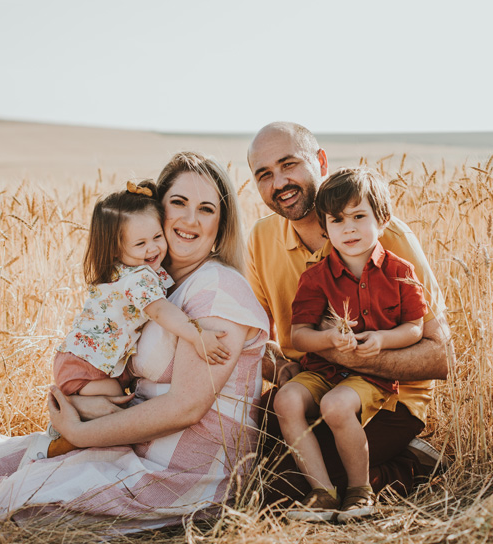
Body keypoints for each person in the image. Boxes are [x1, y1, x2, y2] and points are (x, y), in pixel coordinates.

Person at [0, 152, 270, 533]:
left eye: (206, 209)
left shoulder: (217, 288)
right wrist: (85, 402)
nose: (190, 220)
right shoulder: (153, 283)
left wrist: (80, 433)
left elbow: (186, 407)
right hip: (139, 444)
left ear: (221, 225)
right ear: (156, 210)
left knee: (22, 495)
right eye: (178, 203)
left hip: (185, 471)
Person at [246, 121, 453, 505]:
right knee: (239, 464)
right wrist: (281, 367)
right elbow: (259, 339)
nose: (279, 183)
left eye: (289, 164)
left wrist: (348, 354)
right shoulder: (261, 238)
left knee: (283, 493)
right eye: (264, 174)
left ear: (320, 161)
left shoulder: (386, 237)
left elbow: (442, 357)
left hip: (386, 397)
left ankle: (408, 463)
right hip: (312, 387)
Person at [276, 167, 430, 522]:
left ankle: (361, 492)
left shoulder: (399, 272)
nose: (348, 228)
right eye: (337, 220)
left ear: (382, 219)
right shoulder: (315, 277)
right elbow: (299, 334)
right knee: (285, 400)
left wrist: (382, 339)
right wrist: (327, 339)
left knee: (336, 405)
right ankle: (322, 492)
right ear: (324, 227)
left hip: (369, 378)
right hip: (321, 370)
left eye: (359, 217)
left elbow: (415, 327)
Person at [46, 179, 229, 456]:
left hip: (82, 359)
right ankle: (66, 438)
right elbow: (161, 311)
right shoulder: (139, 278)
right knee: (114, 412)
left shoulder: (131, 271)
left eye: (157, 237)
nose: (152, 249)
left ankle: (71, 427)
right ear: (117, 251)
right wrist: (197, 334)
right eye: (140, 243)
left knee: (112, 409)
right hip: (87, 365)